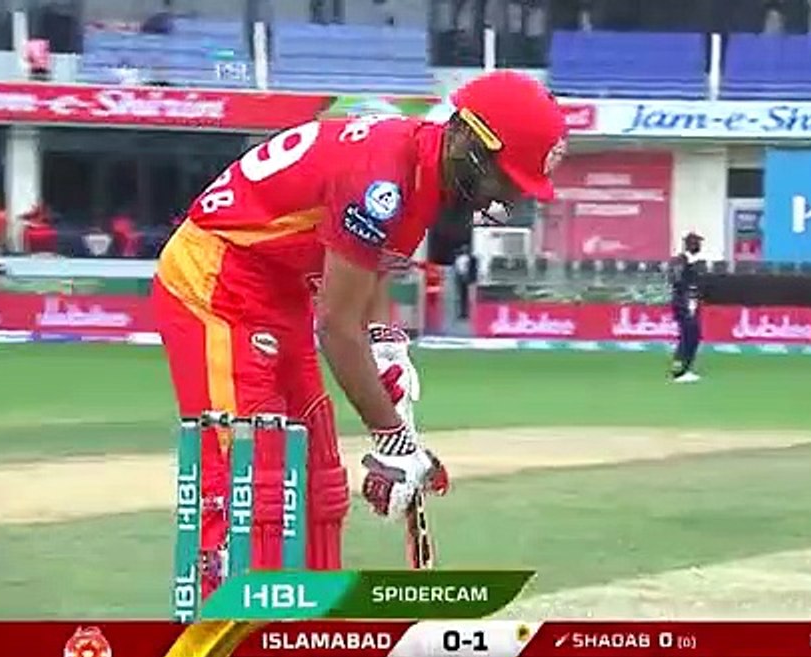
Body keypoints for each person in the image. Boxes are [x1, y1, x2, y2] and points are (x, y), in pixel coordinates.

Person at [151, 70, 568, 600]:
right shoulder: (381, 182)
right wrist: (392, 439)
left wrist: (388, 345)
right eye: (503, 179)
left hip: (283, 290)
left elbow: (367, 272)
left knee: (320, 480)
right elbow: (336, 328)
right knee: (248, 481)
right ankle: (229, 629)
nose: (503, 195)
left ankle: (305, 622)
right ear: (467, 138)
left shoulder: (424, 172)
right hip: (216, 283)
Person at [668, 232, 704, 383]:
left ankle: (684, 368)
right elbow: (678, 282)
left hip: (689, 303)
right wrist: (688, 301)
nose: (699, 246)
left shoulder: (689, 262)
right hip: (685, 304)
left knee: (692, 336)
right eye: (697, 243)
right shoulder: (681, 261)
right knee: (688, 336)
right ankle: (679, 371)